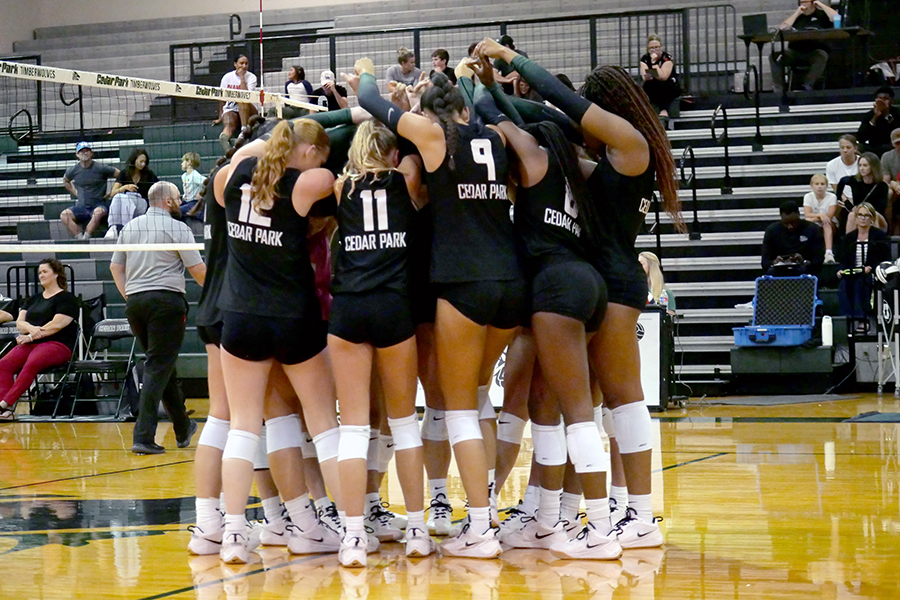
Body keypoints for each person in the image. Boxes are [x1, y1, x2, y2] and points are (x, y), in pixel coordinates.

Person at [477, 38, 681, 556]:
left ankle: (636, 512)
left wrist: (511, 60)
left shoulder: (631, 145)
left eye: (594, 107)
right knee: (579, 402)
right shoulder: (600, 159)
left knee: (622, 399)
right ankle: (566, 513)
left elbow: (558, 101)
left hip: (614, 284)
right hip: (601, 280)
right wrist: (488, 91)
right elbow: (540, 113)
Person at [351, 58, 523, 559]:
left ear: (429, 117)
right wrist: (474, 80)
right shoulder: (495, 137)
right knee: (473, 395)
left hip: (462, 282)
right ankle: (480, 507)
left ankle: (481, 526)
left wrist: (365, 74)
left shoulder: (432, 140)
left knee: (458, 407)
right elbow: (491, 109)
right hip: (510, 281)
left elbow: (369, 102)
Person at [216, 119, 343, 564]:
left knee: (243, 427)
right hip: (293, 316)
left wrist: (276, 135)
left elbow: (243, 156)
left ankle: (233, 534)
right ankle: (351, 533)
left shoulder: (230, 177)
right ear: (307, 152)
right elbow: (328, 178)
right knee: (325, 424)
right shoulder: (309, 182)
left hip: (241, 316)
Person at [329, 121, 434, 566]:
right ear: (391, 153)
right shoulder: (406, 175)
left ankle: (353, 537)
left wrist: (352, 119)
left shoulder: (339, 188)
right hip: (394, 308)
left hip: (348, 310)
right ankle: (416, 531)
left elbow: (334, 145)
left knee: (352, 428)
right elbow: (416, 150)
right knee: (404, 422)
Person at [110, 181, 205, 455]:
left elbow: (116, 267)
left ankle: (183, 426)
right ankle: (143, 435)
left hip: (136, 303)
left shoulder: (130, 227)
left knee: (162, 366)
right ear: (166, 201)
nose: (179, 201)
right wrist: (221, 290)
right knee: (157, 365)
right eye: (177, 197)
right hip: (166, 303)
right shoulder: (178, 228)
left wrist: (129, 295)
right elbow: (198, 270)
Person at [0, 259, 78, 422]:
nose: (41, 275)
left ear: (56, 274)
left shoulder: (67, 298)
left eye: (45, 272)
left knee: (33, 361)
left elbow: (56, 325)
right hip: (32, 343)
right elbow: (20, 323)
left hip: (58, 344)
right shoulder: (34, 298)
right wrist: (30, 329)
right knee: (4, 364)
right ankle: (5, 411)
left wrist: (31, 335)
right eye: (39, 273)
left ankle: (5, 404)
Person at [836, 202, 890, 333]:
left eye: (866, 215)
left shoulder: (879, 236)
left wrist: (871, 267)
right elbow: (843, 259)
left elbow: (885, 259)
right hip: (853, 271)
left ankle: (862, 319)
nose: (863, 218)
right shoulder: (849, 238)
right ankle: (846, 319)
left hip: (872, 273)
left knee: (861, 282)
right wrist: (841, 270)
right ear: (855, 217)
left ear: (872, 218)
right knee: (844, 283)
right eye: (860, 215)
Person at [769, 0, 837, 93]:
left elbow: (836, 17)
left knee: (822, 56)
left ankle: (808, 85)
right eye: (801, 2)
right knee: (774, 56)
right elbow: (783, 28)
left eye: (806, 1)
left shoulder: (822, 15)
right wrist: (797, 12)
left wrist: (820, 5)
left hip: (814, 51)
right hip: (795, 51)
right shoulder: (797, 17)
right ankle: (779, 89)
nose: (803, 4)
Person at [60, 141, 120, 240]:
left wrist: (113, 191)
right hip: (82, 207)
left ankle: (86, 237)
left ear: (91, 153)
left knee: (98, 212)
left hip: (99, 205)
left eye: (87, 150)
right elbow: (65, 180)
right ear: (77, 155)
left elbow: (120, 174)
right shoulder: (73, 170)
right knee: (64, 215)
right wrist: (75, 192)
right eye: (81, 151)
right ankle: (79, 237)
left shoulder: (100, 168)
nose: (85, 153)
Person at [761, 200, 825, 276]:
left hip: (806, 271)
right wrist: (774, 262)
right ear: (781, 217)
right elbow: (765, 261)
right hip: (779, 272)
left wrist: (803, 261)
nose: (790, 226)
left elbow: (819, 259)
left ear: (798, 215)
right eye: (786, 223)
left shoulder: (813, 229)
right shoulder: (772, 231)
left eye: (793, 222)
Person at [107, 148, 159, 237]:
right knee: (119, 197)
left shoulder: (149, 174)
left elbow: (158, 188)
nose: (143, 164)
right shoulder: (124, 173)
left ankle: (121, 228)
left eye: (145, 162)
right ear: (134, 160)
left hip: (142, 202)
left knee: (123, 198)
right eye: (141, 161)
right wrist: (125, 187)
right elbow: (112, 193)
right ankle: (114, 227)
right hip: (125, 202)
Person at [214, 55, 259, 153]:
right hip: (231, 108)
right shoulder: (227, 77)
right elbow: (222, 99)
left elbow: (246, 96)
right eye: (241, 63)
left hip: (248, 108)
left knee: (241, 99)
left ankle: (243, 130)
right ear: (235, 64)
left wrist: (242, 78)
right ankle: (225, 138)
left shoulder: (251, 77)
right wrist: (220, 116)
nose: (244, 66)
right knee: (229, 122)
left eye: (246, 63)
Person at [837, 152, 890, 233]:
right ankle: (850, 243)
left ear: (873, 167)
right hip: (859, 214)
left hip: (876, 215)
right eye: (860, 165)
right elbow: (841, 182)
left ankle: (872, 243)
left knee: (872, 216)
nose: (861, 168)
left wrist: (865, 211)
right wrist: (848, 204)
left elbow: (880, 208)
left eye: (865, 165)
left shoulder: (882, 186)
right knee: (852, 215)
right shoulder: (855, 181)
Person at [640, 34, 681, 127]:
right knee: (648, 86)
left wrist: (654, 63)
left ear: (661, 47)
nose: (654, 50)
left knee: (662, 84)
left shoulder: (667, 58)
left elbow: (663, 76)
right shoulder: (645, 59)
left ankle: (664, 109)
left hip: (668, 85)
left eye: (656, 47)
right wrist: (647, 76)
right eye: (651, 48)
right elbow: (644, 74)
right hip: (653, 84)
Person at [802, 173, 838, 263]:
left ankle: (829, 253)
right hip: (814, 222)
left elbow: (829, 215)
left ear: (826, 186)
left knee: (826, 223)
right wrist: (821, 215)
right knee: (806, 223)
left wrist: (817, 217)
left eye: (822, 184)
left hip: (829, 223)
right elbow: (807, 214)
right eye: (817, 184)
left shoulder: (832, 197)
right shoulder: (808, 197)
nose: (819, 187)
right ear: (812, 186)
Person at [857, 86, 900, 156]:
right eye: (880, 98)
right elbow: (861, 138)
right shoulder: (869, 115)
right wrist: (875, 118)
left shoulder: (897, 113)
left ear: (891, 101)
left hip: (891, 146)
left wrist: (887, 115)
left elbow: (898, 131)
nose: (882, 101)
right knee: (861, 147)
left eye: (885, 99)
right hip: (874, 146)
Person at [180, 152, 205, 218]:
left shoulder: (195, 175)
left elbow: (207, 182)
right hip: (186, 201)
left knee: (179, 210)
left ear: (189, 162)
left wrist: (201, 193)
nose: (181, 164)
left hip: (193, 202)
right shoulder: (184, 176)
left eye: (183, 161)